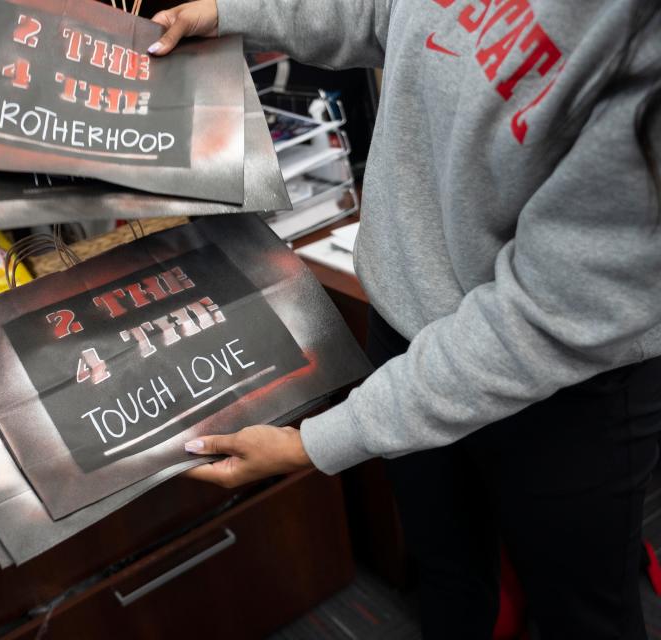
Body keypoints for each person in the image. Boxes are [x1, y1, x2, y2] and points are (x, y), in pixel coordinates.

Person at [149, 0, 661, 637]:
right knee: (446, 572)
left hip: (569, 388)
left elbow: (545, 318)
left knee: (582, 609)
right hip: (405, 328)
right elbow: (374, 10)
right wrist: (230, 12)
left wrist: (314, 443)